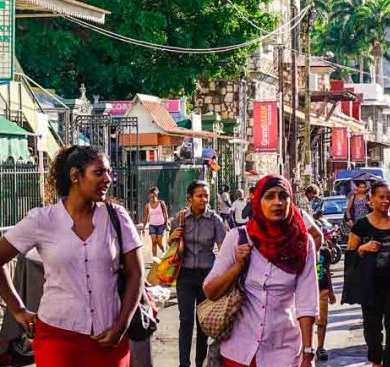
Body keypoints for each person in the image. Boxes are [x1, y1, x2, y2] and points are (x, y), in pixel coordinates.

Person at [0, 145, 143, 366]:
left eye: (109, 172)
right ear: (75, 176)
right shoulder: (42, 220)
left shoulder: (117, 217)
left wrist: (121, 325)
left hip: (109, 338)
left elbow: (136, 273)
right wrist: (18, 309)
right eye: (99, 172)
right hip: (57, 338)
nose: (108, 179)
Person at [203, 175, 318, 367]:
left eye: (283, 196)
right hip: (239, 351)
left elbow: (307, 303)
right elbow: (210, 291)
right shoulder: (238, 238)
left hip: (284, 351)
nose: (278, 202)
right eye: (270, 196)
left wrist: (308, 354)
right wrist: (238, 267)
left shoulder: (303, 245)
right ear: (258, 201)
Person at [347, 181, 390, 367]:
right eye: (381, 197)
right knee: (372, 328)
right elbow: (350, 255)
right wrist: (362, 248)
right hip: (370, 285)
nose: (385, 201)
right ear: (371, 199)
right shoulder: (361, 225)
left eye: (388, 197)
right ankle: (376, 360)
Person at [169, 180, 227, 367]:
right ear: (189, 198)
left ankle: (199, 362)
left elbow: (224, 250)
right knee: (185, 321)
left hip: (207, 277)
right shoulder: (179, 218)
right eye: (199, 196)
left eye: (206, 196)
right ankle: (183, 364)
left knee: (203, 323)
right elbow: (172, 248)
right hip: (184, 275)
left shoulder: (215, 220)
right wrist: (172, 238)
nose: (204, 199)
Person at [315, 230, 336, 362]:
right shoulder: (302, 250)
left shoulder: (325, 252)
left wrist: (331, 291)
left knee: (322, 321)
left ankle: (320, 347)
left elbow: (327, 271)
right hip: (307, 291)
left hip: (322, 290)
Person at [142, 186, 168, 258]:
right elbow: (146, 217)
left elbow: (166, 214)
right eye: (150, 197)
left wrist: (166, 225)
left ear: (156, 196)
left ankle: (165, 253)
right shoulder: (147, 206)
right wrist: (143, 228)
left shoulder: (161, 203)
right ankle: (155, 259)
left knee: (159, 242)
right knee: (154, 242)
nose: (152, 199)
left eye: (153, 197)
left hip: (161, 225)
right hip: (152, 225)